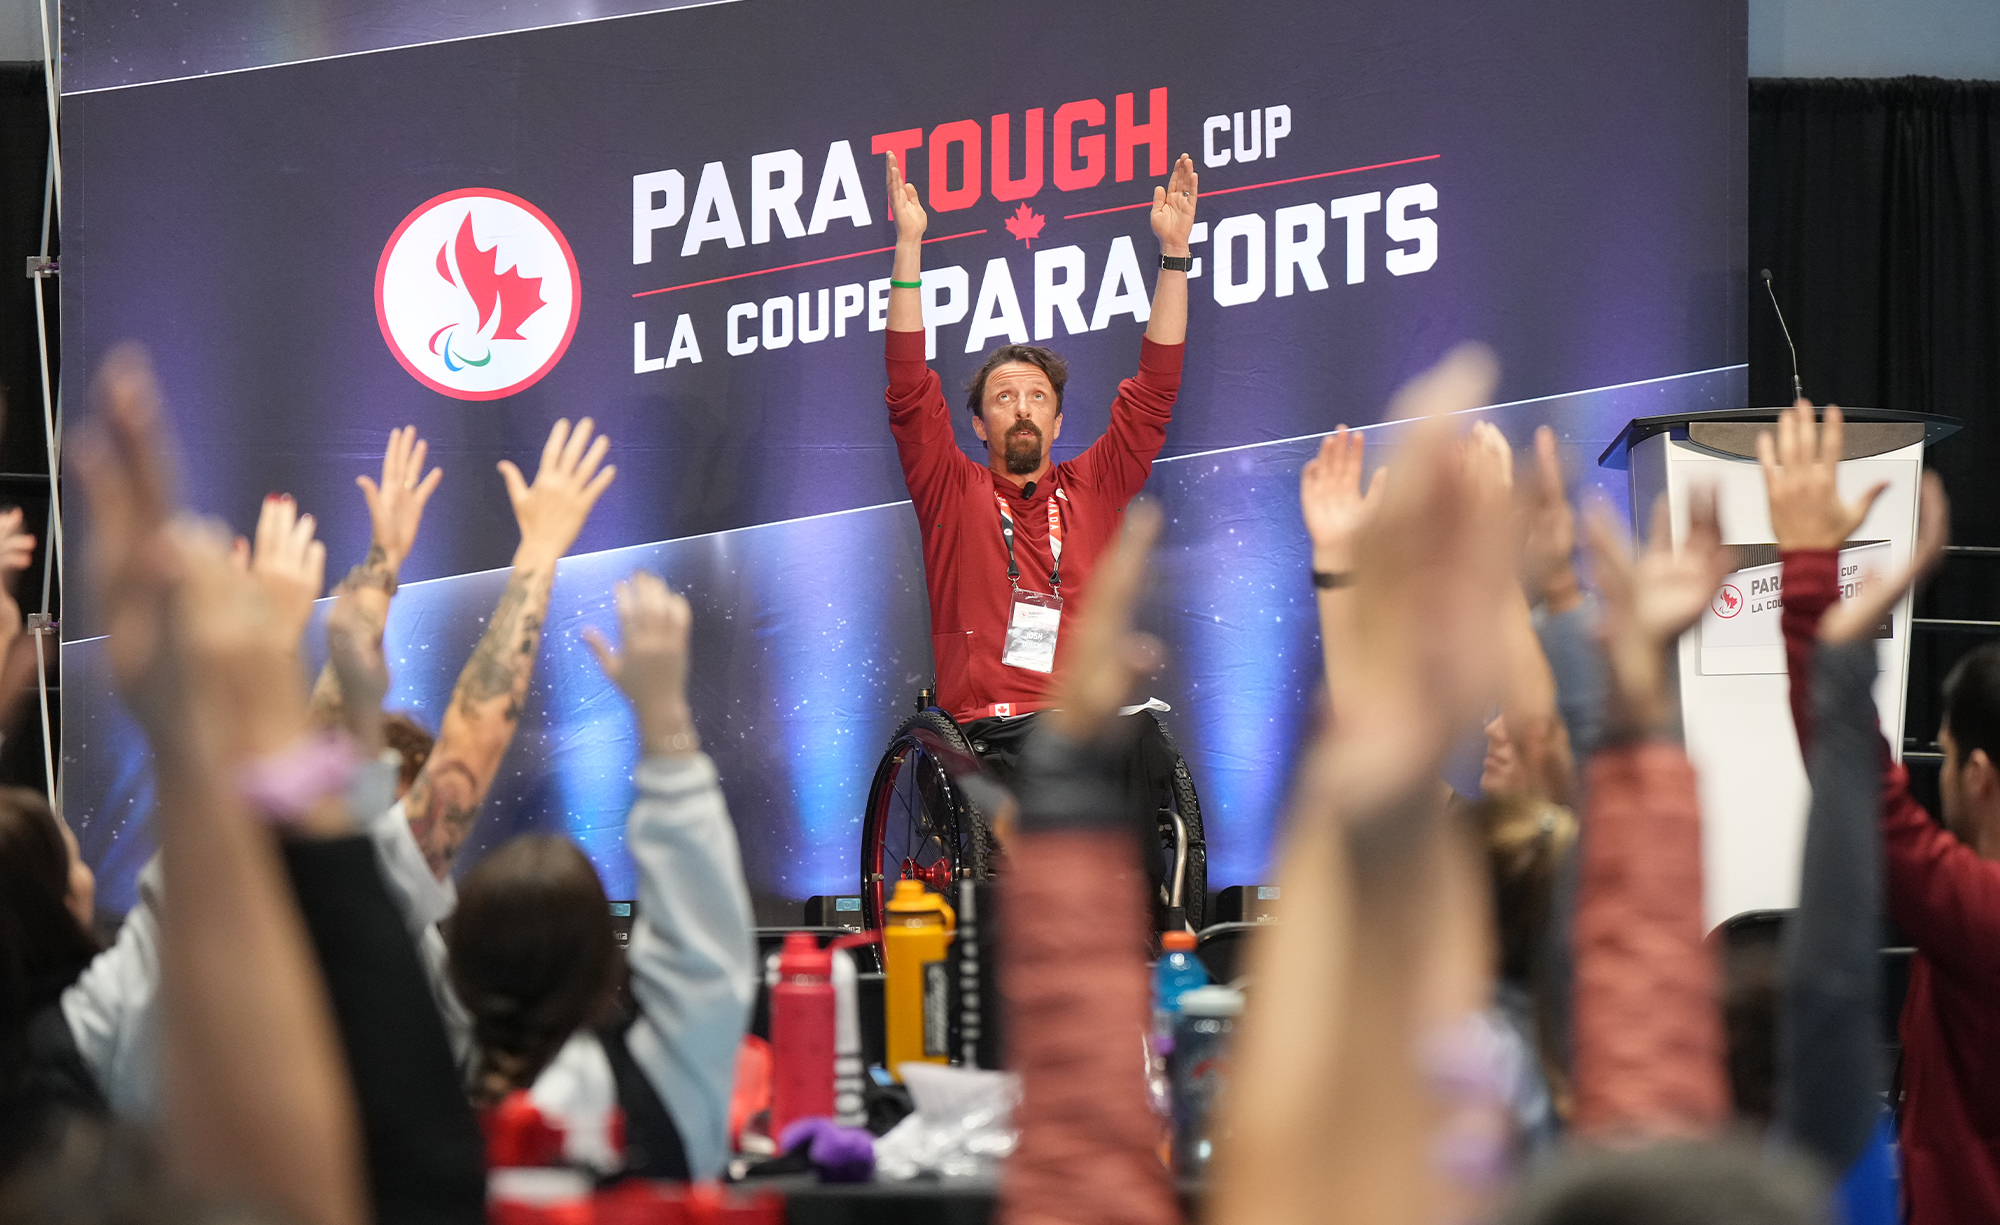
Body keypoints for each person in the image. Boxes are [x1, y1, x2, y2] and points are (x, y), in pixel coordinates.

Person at [879, 148, 1199, 848]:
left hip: (1082, 727)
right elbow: (908, 385)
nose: (1021, 408)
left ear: (1056, 420)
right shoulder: (949, 485)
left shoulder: (1095, 482)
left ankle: (1154, 934)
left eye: (1036, 397)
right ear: (978, 423)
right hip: (985, 737)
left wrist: (1174, 255)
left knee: (1144, 741)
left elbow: (1154, 393)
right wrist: (909, 246)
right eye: (1003, 397)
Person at [1761, 401, 1999, 1223]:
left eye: (1939, 746)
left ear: (1979, 773)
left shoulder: (1986, 913)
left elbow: (1861, 793)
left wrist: (1807, 576)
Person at [439, 570, 758, 1180]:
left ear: (454, 963)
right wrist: (662, 711)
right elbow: (707, 947)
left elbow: (379, 886)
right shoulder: (666, 1089)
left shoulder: (406, 1108)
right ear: (609, 965)